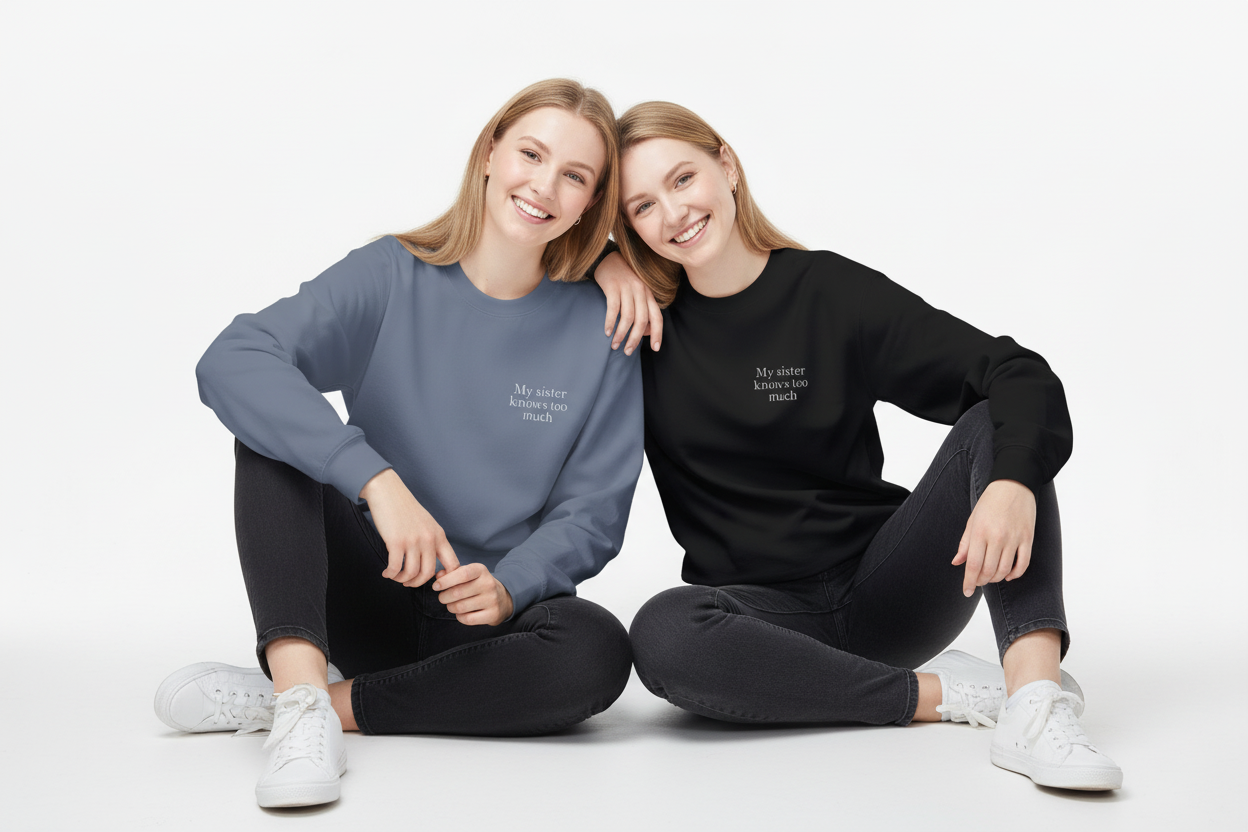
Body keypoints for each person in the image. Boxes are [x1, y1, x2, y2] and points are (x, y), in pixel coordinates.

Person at [591, 100, 1122, 791]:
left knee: (998, 424)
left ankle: (1033, 701)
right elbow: (528, 256)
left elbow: (1015, 373)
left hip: (888, 589)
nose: (673, 213)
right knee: (664, 631)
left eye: (683, 179)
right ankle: (942, 696)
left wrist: (1011, 483)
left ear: (726, 165)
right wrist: (603, 266)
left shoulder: (827, 293)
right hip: (763, 625)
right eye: (641, 208)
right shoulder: (639, 329)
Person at [154, 79, 643, 808]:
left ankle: (318, 703)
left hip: (488, 627)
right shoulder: (393, 273)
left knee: (597, 651)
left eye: (575, 176)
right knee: (273, 437)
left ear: (590, 202)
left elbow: (595, 510)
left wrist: (513, 583)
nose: (544, 185)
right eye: (531, 154)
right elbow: (234, 358)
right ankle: (299, 703)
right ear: (489, 154)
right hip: (374, 590)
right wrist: (376, 482)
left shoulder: (606, 323)